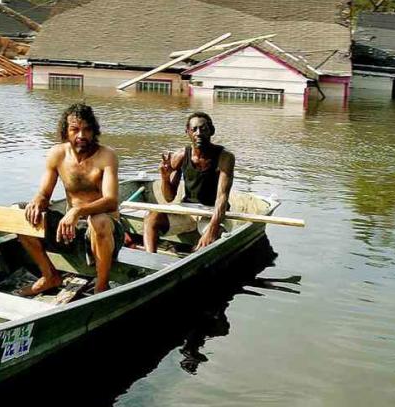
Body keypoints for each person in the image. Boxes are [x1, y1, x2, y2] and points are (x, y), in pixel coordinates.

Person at [20, 103, 121, 294]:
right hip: (71, 230)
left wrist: (77, 211)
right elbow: (44, 194)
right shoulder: (57, 154)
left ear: (94, 132)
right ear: (66, 132)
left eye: (87, 130)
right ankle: (50, 275)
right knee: (19, 213)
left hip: (107, 231)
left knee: (98, 220)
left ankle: (101, 285)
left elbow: (111, 201)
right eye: (75, 130)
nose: (81, 136)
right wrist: (36, 201)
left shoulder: (106, 156)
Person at [143, 111, 235, 253]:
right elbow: (169, 197)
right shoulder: (180, 156)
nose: (198, 133)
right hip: (187, 210)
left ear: (212, 131)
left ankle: (194, 258)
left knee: (214, 237)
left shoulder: (225, 157)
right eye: (194, 129)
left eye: (203, 129)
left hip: (212, 212)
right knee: (152, 218)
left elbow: (222, 197)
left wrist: (212, 228)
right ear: (187, 132)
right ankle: (150, 259)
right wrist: (165, 178)